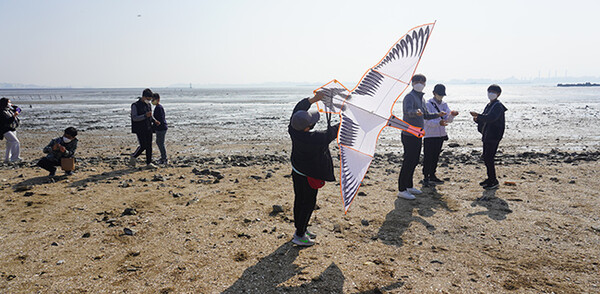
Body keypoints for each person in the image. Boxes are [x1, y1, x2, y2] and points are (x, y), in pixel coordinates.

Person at [288, 91, 339, 246]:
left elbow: (297, 110)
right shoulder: (314, 139)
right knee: (308, 203)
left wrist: (313, 100)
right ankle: (300, 234)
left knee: (299, 200)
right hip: (308, 174)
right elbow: (333, 132)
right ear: (307, 128)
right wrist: (348, 118)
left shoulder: (293, 129)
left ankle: (300, 228)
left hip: (297, 170)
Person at [397, 74, 445, 200]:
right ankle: (402, 189)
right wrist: (415, 112)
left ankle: (409, 186)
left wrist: (438, 114)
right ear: (412, 83)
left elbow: (426, 115)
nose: (420, 83)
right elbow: (407, 111)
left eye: (422, 81)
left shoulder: (422, 98)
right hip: (409, 134)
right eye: (417, 81)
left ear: (425, 84)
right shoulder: (409, 96)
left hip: (418, 134)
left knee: (414, 160)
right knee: (408, 161)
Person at [470, 84, 507, 190]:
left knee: (489, 158)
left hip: (493, 135)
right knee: (486, 157)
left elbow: (491, 118)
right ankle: (490, 178)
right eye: (489, 91)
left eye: (493, 92)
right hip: (488, 134)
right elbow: (485, 117)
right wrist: (477, 119)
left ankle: (493, 180)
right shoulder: (490, 105)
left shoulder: (498, 106)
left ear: (498, 94)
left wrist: (479, 116)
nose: (490, 94)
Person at [422, 84, 459, 186]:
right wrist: (438, 123)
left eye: (442, 95)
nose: (441, 97)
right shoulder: (428, 104)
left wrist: (452, 115)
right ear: (434, 93)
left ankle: (432, 175)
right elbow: (426, 120)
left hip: (440, 135)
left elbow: (448, 119)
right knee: (428, 156)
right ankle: (426, 177)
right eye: (439, 94)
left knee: (435, 156)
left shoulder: (444, 104)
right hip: (430, 135)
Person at [130, 89, 158, 168]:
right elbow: (134, 118)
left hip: (148, 127)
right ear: (143, 97)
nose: (149, 101)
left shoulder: (148, 105)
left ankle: (149, 163)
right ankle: (134, 156)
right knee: (143, 145)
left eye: (150, 99)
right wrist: (145, 116)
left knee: (149, 146)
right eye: (148, 99)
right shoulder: (135, 105)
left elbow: (150, 115)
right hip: (139, 128)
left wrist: (154, 121)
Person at [0, 97, 21, 163]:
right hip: (5, 130)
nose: (10, 103)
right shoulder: (1, 111)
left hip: (13, 128)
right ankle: (15, 158)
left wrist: (14, 108)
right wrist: (14, 116)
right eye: (9, 102)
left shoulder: (9, 109)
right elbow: (7, 121)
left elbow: (19, 109)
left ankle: (7, 159)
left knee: (9, 144)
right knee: (15, 141)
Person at [151, 93, 168, 164]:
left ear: (158, 99)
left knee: (160, 143)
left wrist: (154, 125)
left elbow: (159, 120)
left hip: (161, 128)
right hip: (160, 128)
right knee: (159, 142)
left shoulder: (159, 108)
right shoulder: (158, 107)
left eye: (154, 99)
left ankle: (164, 158)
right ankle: (163, 157)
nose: (152, 101)